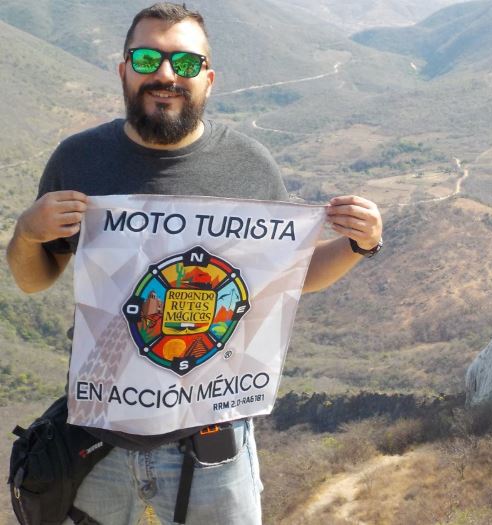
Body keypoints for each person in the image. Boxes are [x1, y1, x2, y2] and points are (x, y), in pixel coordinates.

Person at [5, 3, 383, 524]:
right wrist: (28, 232)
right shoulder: (78, 159)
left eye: (185, 63)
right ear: (123, 69)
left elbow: (284, 278)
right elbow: (32, 278)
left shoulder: (249, 165)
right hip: (97, 441)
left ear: (208, 77)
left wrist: (359, 245)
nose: (165, 74)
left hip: (213, 440)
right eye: (147, 58)